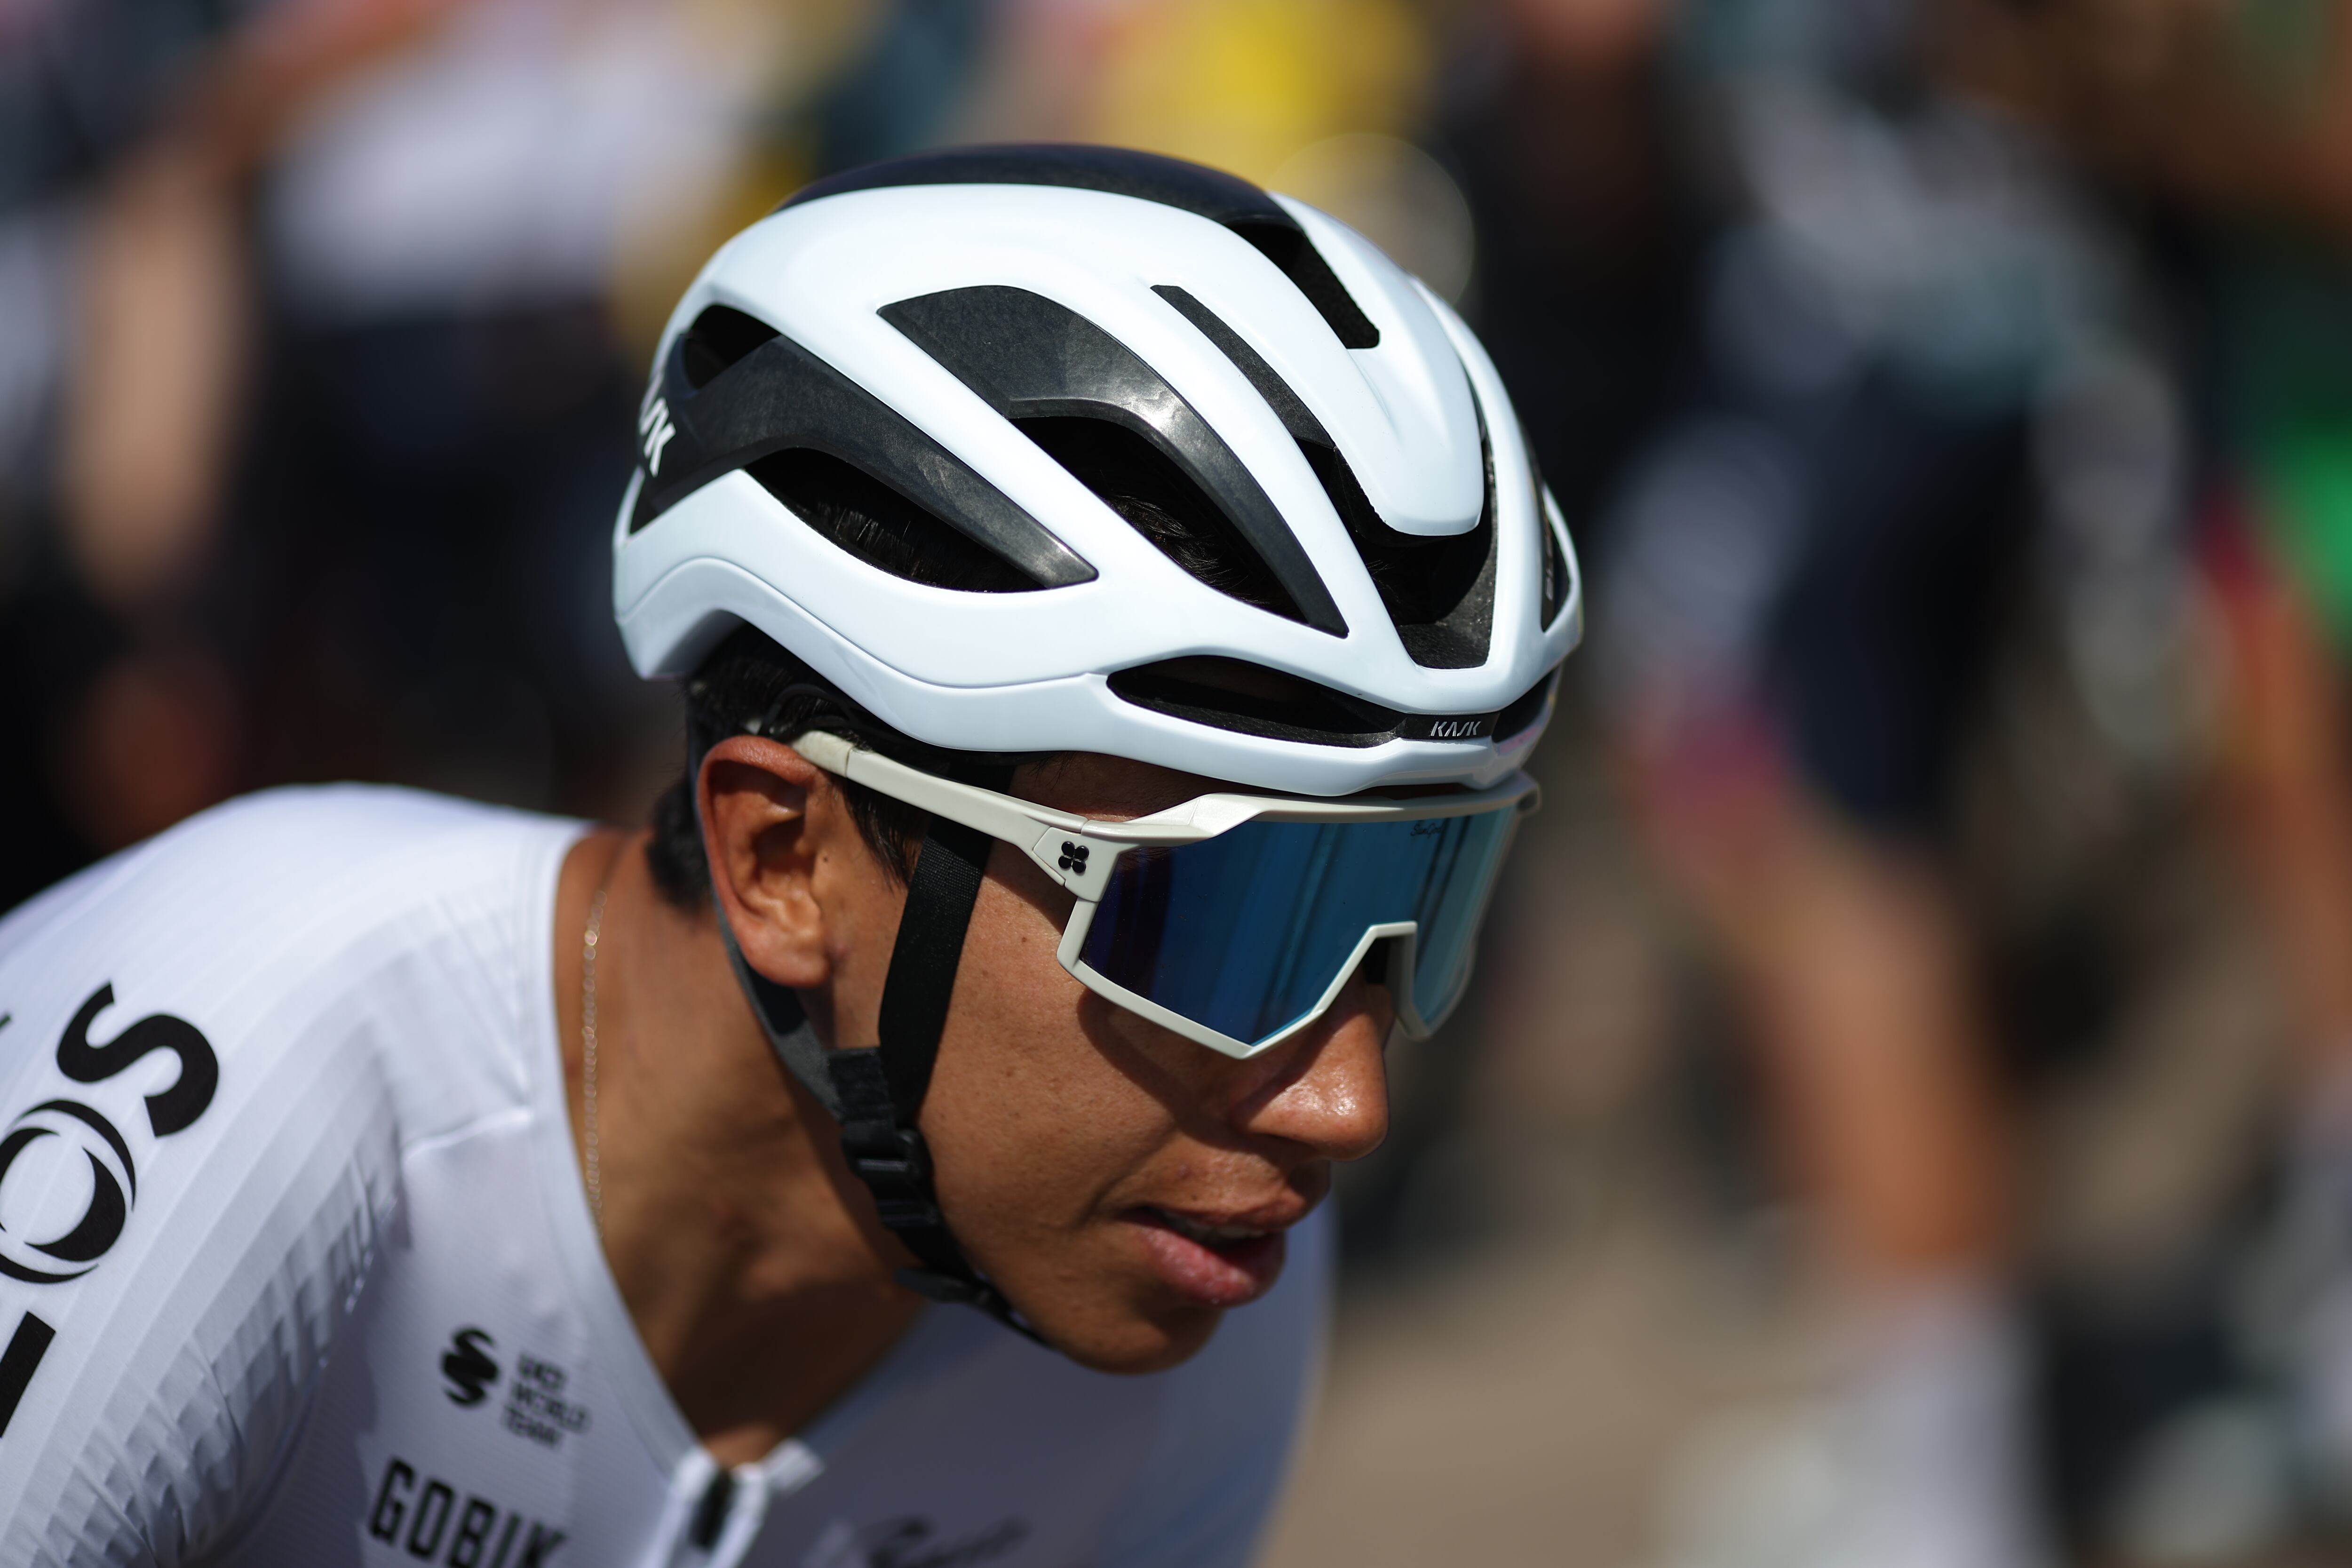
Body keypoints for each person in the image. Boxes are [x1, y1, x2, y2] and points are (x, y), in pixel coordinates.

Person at [0, 143, 1581, 1564]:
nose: (1347, 1102)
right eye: (1234, 923)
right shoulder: (232, 1062)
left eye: (1413, 909)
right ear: (782, 857)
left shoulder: (1201, 1253)